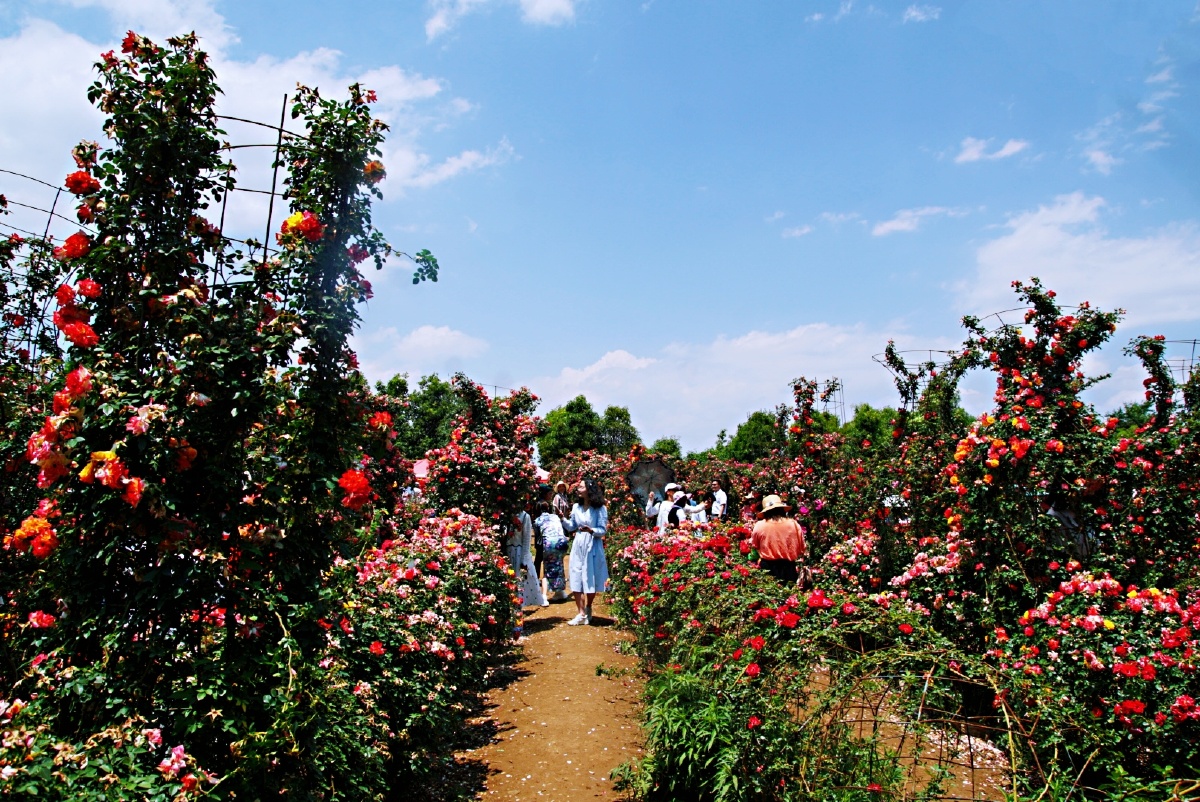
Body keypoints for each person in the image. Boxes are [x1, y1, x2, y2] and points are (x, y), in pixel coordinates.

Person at [561, 478, 609, 626]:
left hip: (592, 544)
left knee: (590, 576)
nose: (578, 489)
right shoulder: (576, 507)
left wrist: (591, 530)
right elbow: (572, 526)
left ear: (589, 489)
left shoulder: (600, 508)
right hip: (579, 543)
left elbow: (603, 530)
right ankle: (580, 613)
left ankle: (588, 607)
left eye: (581, 487)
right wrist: (562, 519)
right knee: (576, 575)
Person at [750, 494, 807, 584]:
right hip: (789, 568)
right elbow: (802, 548)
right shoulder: (793, 524)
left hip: (768, 568)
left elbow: (755, 546)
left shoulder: (760, 526)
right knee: (789, 591)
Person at [509, 507, 547, 608]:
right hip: (507, 553)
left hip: (518, 553)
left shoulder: (525, 516)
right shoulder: (505, 515)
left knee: (518, 580)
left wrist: (524, 559)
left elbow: (526, 539)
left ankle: (518, 607)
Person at [535, 501, 570, 601]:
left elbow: (538, 538)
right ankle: (560, 593)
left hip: (550, 545)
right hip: (562, 543)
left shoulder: (538, 520)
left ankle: (544, 596)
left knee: (547, 569)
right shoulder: (555, 517)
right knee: (559, 566)